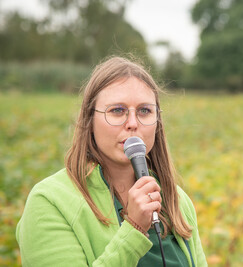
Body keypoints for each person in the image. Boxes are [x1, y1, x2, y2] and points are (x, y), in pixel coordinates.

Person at [16, 55, 207, 266]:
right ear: (89, 120)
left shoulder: (177, 201)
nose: (133, 123)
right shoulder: (49, 201)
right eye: (117, 111)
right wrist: (134, 229)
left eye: (144, 111)